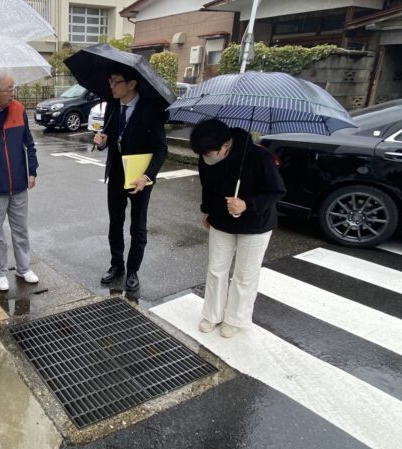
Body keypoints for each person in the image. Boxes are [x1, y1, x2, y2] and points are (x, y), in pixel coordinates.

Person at [189, 118, 286, 337]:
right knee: (216, 270)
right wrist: (207, 210)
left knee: (245, 274)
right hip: (221, 220)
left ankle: (235, 318)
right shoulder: (206, 155)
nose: (206, 158)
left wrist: (247, 204)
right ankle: (212, 314)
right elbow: (207, 186)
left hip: (255, 224)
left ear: (225, 146)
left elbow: (277, 191)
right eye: (202, 155)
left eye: (210, 154)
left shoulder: (259, 157)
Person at [93, 67, 167, 292]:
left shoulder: (150, 109)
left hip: (140, 177)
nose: (111, 86)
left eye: (116, 82)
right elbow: (108, 139)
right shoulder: (112, 106)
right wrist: (101, 141)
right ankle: (117, 265)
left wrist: (148, 176)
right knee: (115, 222)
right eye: (110, 81)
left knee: (138, 225)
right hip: (116, 172)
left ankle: (133, 269)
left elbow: (161, 149)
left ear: (132, 84)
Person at [0, 69, 40, 292]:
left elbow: (28, 143)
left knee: (20, 229)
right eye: (8, 89)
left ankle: (23, 267)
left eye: (14, 87)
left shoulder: (18, 110)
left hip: (19, 183)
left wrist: (33, 170)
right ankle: (0, 271)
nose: (13, 93)